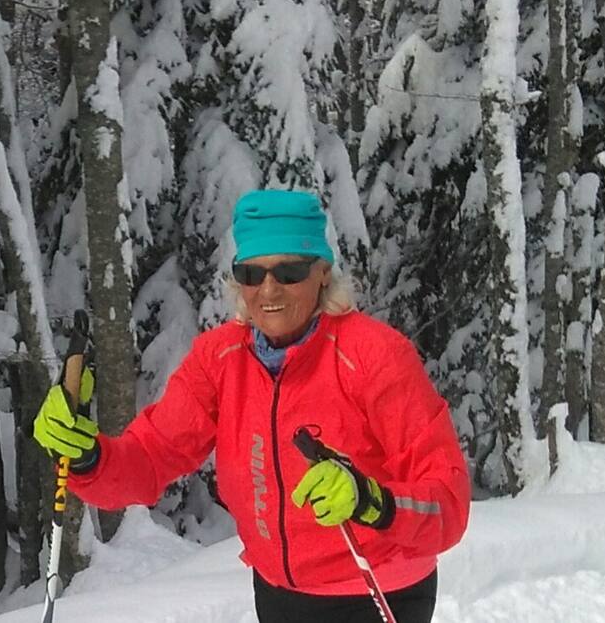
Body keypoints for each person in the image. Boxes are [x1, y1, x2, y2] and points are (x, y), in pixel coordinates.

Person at [33, 189, 470, 623]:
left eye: (289, 271)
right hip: (279, 592)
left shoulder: (374, 357)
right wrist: (88, 458)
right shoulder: (220, 359)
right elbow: (151, 455)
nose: (268, 289)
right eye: (251, 273)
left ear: (322, 273)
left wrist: (369, 500)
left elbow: (447, 502)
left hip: (378, 588)